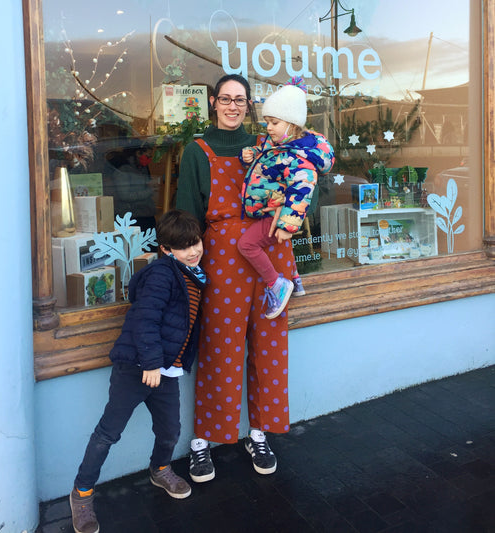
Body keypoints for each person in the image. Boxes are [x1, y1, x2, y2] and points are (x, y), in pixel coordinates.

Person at [176, 73, 292, 483]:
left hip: (268, 254)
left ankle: (259, 431)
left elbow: (295, 190)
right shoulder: (197, 151)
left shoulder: (268, 147)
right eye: (225, 98)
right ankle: (204, 439)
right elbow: (186, 213)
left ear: (248, 105)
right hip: (223, 258)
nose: (232, 105)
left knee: (269, 344)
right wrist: (184, 267)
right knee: (220, 346)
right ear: (212, 102)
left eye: (239, 99)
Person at [69, 209, 206, 533]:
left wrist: (168, 364)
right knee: (108, 433)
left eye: (196, 242)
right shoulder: (162, 275)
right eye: (184, 246)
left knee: (170, 428)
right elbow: (145, 321)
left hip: (165, 371)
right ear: (167, 250)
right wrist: (150, 363)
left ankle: (160, 469)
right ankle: (82, 494)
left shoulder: (195, 274)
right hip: (137, 368)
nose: (194, 250)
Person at [238, 77, 335, 319]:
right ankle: (295, 279)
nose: (268, 127)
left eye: (274, 122)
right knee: (280, 247)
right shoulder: (279, 143)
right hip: (269, 208)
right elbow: (269, 156)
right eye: (267, 122)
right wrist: (251, 155)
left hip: (273, 213)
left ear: (292, 125)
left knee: (247, 245)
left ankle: (276, 285)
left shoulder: (300, 159)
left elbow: (301, 190)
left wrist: (287, 224)